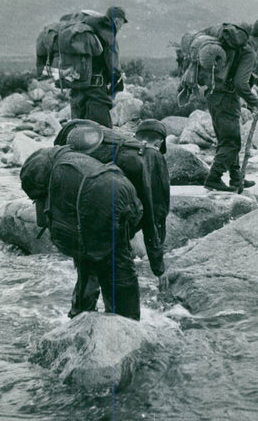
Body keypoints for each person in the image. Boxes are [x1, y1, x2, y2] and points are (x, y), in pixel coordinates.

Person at [55, 118, 171, 318]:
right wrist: (158, 266)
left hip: (81, 217)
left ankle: (79, 317)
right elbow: (155, 215)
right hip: (112, 220)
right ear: (159, 143)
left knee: (87, 265)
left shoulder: (105, 145)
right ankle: (123, 327)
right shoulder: (150, 157)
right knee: (122, 284)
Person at [203, 18, 258, 192]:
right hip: (226, 99)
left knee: (226, 139)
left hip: (215, 96)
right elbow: (239, 84)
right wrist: (255, 102)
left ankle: (236, 178)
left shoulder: (241, 47)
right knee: (232, 142)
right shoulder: (249, 51)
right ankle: (213, 177)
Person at [68, 6, 127, 127]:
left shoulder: (85, 32)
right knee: (101, 132)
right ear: (117, 20)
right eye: (122, 23)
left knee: (77, 129)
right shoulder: (109, 34)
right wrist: (117, 81)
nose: (121, 27)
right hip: (96, 89)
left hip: (76, 87)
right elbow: (113, 66)